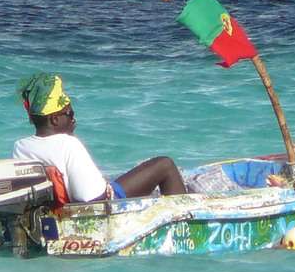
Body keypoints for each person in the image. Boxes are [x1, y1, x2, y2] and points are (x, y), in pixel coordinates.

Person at [12, 73, 187, 203]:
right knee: (164, 164)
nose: (73, 119)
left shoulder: (21, 146)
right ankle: (183, 221)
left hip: (60, 207)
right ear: (54, 119)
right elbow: (94, 197)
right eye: (69, 113)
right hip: (102, 206)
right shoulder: (68, 144)